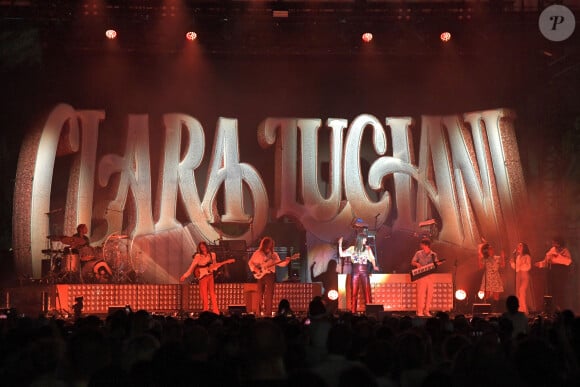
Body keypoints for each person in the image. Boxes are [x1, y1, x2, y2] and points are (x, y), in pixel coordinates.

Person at [248, 236, 290, 317]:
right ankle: (258, 312)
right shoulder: (258, 253)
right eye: (268, 244)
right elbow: (250, 263)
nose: (269, 246)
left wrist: (286, 262)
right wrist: (255, 269)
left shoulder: (274, 255)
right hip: (260, 275)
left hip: (270, 274)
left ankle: (268, 313)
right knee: (260, 293)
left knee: (269, 294)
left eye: (271, 245)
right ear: (264, 244)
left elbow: (280, 263)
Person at [338, 233, 379, 313]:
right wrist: (340, 244)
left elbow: (372, 258)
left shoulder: (367, 248)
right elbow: (342, 254)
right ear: (360, 239)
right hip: (355, 271)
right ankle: (353, 312)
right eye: (364, 239)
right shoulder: (352, 248)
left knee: (367, 291)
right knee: (354, 292)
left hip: (364, 271)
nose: (366, 240)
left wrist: (374, 266)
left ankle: (370, 312)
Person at [180, 241, 220, 314]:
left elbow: (215, 265)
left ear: (206, 246)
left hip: (210, 275)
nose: (203, 248)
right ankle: (205, 311)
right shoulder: (198, 256)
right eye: (201, 247)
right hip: (202, 276)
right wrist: (185, 276)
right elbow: (192, 267)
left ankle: (216, 311)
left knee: (212, 294)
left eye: (203, 246)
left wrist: (214, 268)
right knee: (204, 294)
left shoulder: (212, 254)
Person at [534, 237, 573, 312]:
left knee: (560, 291)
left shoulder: (564, 251)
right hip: (551, 273)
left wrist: (558, 256)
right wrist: (539, 264)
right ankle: (552, 309)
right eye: (553, 242)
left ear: (558, 243)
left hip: (560, 273)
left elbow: (568, 261)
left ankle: (561, 309)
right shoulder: (551, 250)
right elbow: (546, 261)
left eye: (554, 242)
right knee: (551, 290)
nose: (553, 244)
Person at [410, 238, 441, 317]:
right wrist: (417, 264)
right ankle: (419, 311)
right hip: (421, 275)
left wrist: (438, 263)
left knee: (429, 294)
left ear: (425, 245)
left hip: (430, 276)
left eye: (422, 244)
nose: (420, 245)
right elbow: (412, 262)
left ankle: (427, 310)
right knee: (421, 294)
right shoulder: (418, 253)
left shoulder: (433, 254)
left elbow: (436, 264)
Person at [510, 242, 532, 314]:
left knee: (521, 291)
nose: (518, 247)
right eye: (518, 246)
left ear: (524, 248)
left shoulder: (527, 256)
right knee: (517, 293)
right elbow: (516, 269)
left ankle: (524, 311)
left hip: (524, 276)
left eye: (520, 246)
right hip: (518, 276)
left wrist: (520, 266)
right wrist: (512, 263)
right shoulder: (518, 257)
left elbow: (528, 266)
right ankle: (520, 310)